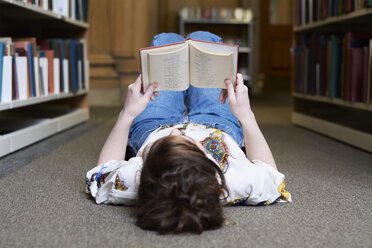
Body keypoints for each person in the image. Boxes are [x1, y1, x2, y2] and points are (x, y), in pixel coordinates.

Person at [86, 31, 291, 235]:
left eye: (170, 140)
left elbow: (101, 171)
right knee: (202, 38)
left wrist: (127, 113)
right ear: (210, 163)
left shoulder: (138, 181)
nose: (180, 131)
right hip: (218, 126)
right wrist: (246, 115)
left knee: (166, 42)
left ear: (147, 166)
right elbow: (273, 176)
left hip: (155, 127)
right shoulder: (234, 181)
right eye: (190, 142)